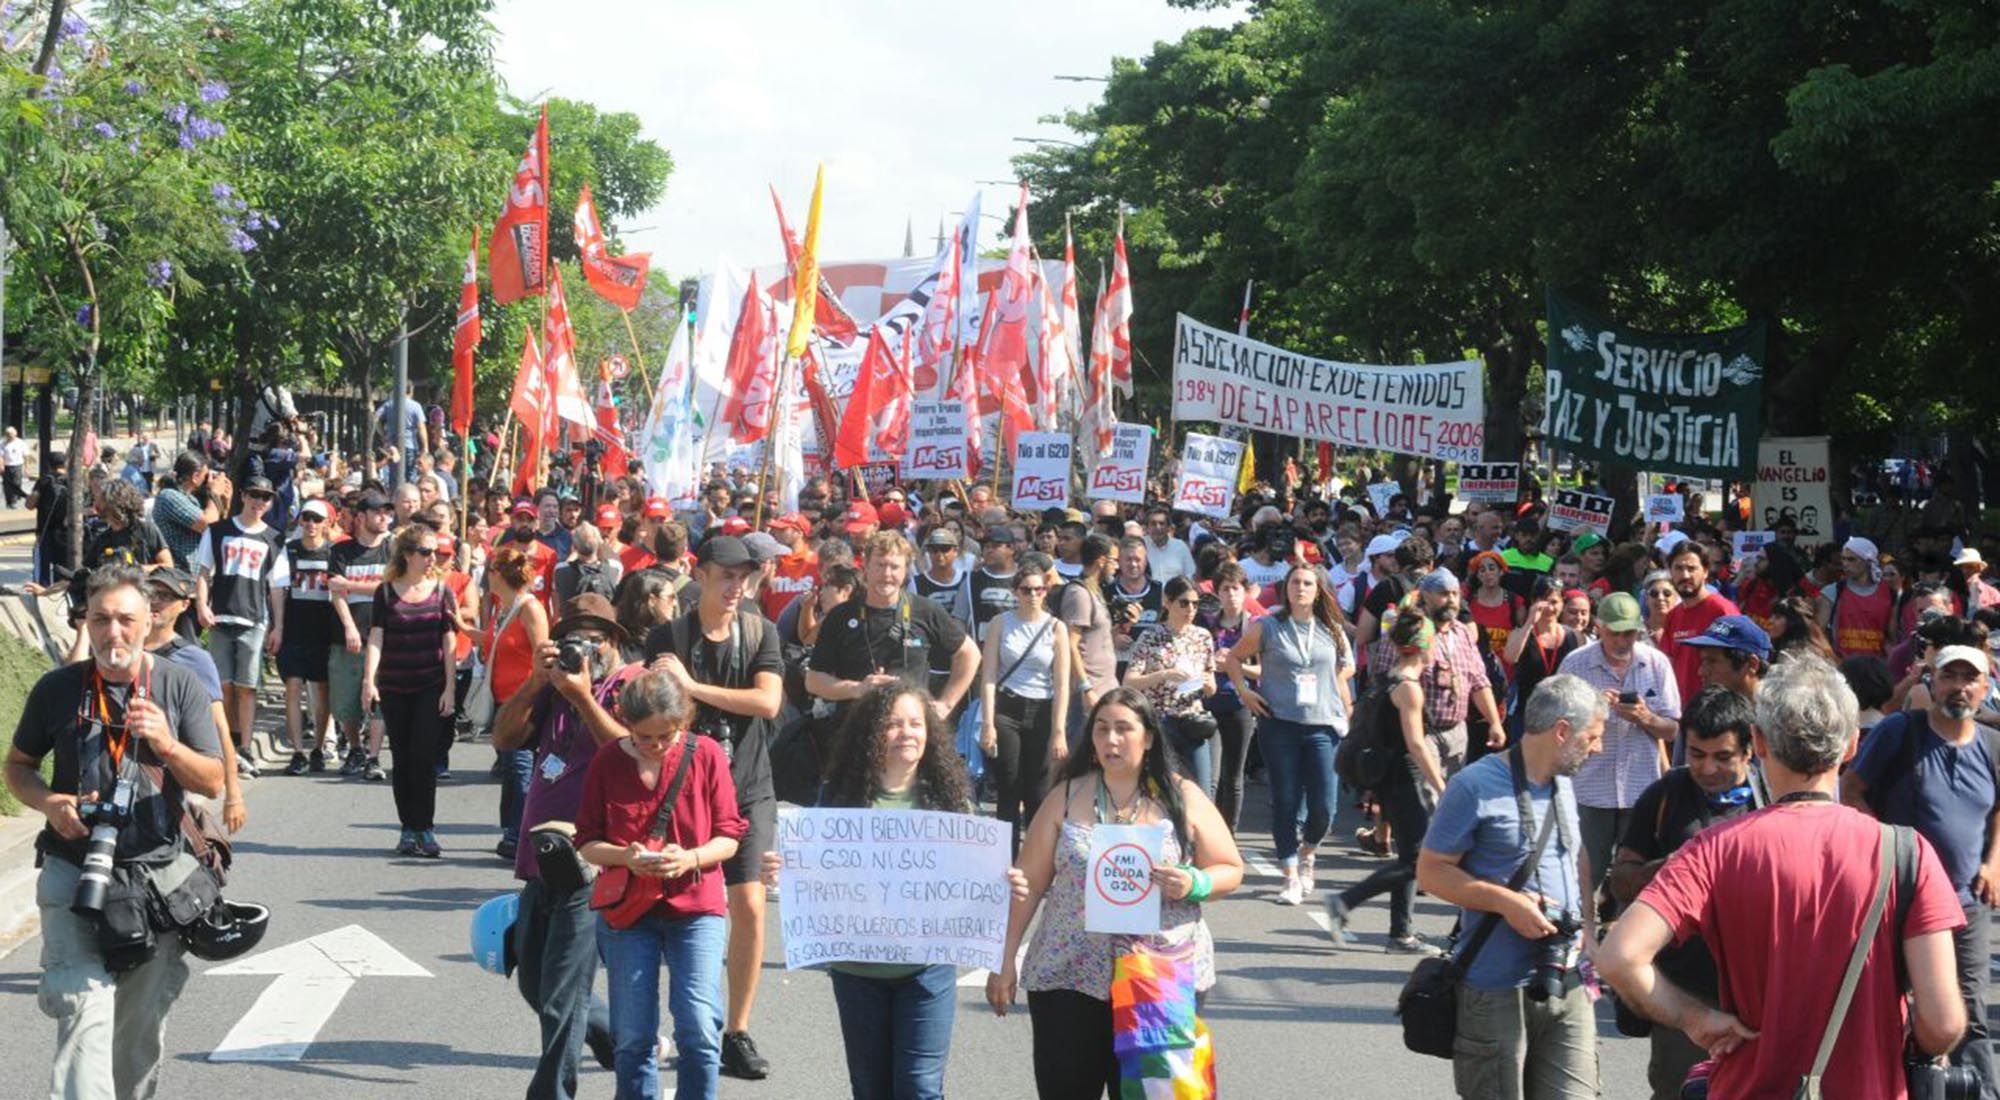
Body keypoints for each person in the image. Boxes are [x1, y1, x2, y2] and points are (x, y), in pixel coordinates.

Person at [1598, 656, 1967, 1100]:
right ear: (1851, 745)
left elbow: (1619, 958)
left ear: (1759, 741)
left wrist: (1696, 1019)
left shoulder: (1714, 849)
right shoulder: (1907, 853)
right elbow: (1943, 1023)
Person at [3, 565, 226, 1100]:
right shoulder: (58, 688)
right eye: (100, 618)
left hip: (155, 881)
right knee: (84, 1007)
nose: (113, 632)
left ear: (150, 621)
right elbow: (17, 766)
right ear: (88, 621)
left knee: (135, 1034)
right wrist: (49, 801)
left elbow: (213, 780)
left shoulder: (179, 684)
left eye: (126, 619)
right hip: (72, 871)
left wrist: (168, 746)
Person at [761, 685, 1028, 1100]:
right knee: (870, 1090)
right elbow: (820, 869)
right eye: (894, 724)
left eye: (916, 723)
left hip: (927, 970)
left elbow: (972, 875)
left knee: (919, 1089)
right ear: (872, 732)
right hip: (857, 972)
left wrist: (1001, 882)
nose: (907, 733)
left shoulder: (950, 800)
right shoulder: (840, 797)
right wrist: (786, 868)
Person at [986, 688, 1244, 1097]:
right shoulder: (1067, 797)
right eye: (1102, 729)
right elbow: (1029, 883)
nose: (1111, 740)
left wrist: (1195, 882)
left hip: (1159, 977)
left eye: (1124, 729)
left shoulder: (1182, 797)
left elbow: (1231, 868)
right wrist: (1004, 960)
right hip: (1069, 975)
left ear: (1149, 737)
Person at [1415, 674, 1606, 1100]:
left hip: (1566, 979)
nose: (1599, 748)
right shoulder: (1474, 786)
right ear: (1561, 732)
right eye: (1592, 737)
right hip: (1494, 987)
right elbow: (1431, 871)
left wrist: (1589, 932)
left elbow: (1577, 856)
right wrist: (1506, 902)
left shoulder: (1563, 782)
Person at [643, 534, 785, 1082]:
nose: (737, 586)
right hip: (685, 789)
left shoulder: (760, 630)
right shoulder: (667, 635)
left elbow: (768, 702)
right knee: (675, 908)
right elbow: (658, 710)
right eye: (726, 575)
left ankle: (737, 1030)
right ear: (699, 574)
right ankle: (676, 1024)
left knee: (748, 902)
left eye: (745, 576)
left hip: (748, 785)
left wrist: (693, 686)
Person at [491, 594, 641, 1100]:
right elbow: (504, 739)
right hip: (541, 858)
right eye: (572, 638)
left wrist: (583, 697)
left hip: (593, 863)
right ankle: (629, 1041)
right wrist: (537, 680)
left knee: (559, 998)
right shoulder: (552, 687)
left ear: (614, 642)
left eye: (593, 640)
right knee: (535, 984)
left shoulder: (631, 686)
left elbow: (631, 755)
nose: (583, 650)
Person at [576, 671, 746, 1100]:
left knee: (700, 1028)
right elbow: (587, 842)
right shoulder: (608, 761)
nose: (654, 745)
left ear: (683, 722)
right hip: (630, 913)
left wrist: (688, 857)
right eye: (643, 736)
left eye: (665, 736)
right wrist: (626, 857)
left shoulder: (705, 755)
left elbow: (729, 835)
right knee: (632, 1038)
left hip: (696, 906)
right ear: (626, 723)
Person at [1840, 643, 2000, 1095]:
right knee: (1889, 1009)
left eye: (1970, 679)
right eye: (1950, 676)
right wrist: (1882, 851)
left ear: (1985, 688)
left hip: (1967, 904)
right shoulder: (1900, 731)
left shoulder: (1992, 743)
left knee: (1968, 1016)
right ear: (1931, 680)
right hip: (1900, 902)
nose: (1959, 687)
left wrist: (1994, 862)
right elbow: (1851, 788)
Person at [1604, 687, 1767, 1100]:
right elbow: (1620, 879)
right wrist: (1671, 868)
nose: (1708, 768)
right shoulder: (1665, 795)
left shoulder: (1773, 798)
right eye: (1696, 754)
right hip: (1686, 996)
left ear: (1750, 748)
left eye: (1723, 756)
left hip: (1760, 993)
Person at [1223, 563, 1355, 905]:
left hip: (1323, 725)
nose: (1300, 588)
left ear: (1318, 590)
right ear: (1286, 588)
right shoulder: (1267, 625)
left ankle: (1308, 850)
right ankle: (1290, 873)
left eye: (1307, 583)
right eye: (1295, 582)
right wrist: (1245, 692)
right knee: (1285, 798)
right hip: (1279, 722)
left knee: (1325, 805)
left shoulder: (1332, 630)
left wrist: (1347, 708)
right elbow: (1234, 658)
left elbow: (1344, 670)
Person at [1328, 607, 1451, 954]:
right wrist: (1441, 787)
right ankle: (1346, 901)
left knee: (1410, 856)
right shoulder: (1410, 688)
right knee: (1417, 861)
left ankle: (1401, 934)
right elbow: (1415, 743)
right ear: (1426, 646)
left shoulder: (1388, 675)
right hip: (1405, 779)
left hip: (1388, 779)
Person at [1555, 591, 1682, 901]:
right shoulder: (1576, 663)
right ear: (1599, 627)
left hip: (1641, 787)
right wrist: (1595, 712)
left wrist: (1644, 717)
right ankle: (1580, 931)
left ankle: (1622, 938)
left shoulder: (1655, 663)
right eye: (1615, 632)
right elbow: (1556, 726)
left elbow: (1672, 729)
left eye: (1629, 633)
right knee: (1586, 872)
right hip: (1590, 786)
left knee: (1636, 877)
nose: (1623, 640)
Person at [808, 531, 981, 725]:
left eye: (894, 567)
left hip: (911, 731)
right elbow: (813, 680)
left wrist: (946, 704)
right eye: (880, 565)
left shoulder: (926, 610)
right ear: (865, 565)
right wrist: (857, 688)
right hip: (855, 729)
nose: (887, 574)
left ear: (906, 570)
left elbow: (970, 653)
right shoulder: (841, 616)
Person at [361, 523, 459, 857]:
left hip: (430, 683)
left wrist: (450, 687)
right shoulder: (385, 592)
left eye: (435, 552)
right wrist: (368, 680)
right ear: (407, 554)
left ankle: (426, 828)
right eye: (426, 552)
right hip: (394, 684)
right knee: (402, 758)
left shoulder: (442, 590)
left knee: (424, 756)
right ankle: (407, 829)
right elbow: (376, 636)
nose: (433, 557)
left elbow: (449, 639)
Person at [192, 475, 290, 780]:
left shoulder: (275, 539)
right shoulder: (219, 531)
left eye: (266, 497)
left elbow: (277, 587)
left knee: (247, 687)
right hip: (221, 616)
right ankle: (226, 744)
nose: (260, 502)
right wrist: (201, 606)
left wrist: (278, 627)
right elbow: (203, 571)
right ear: (243, 496)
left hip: (254, 619)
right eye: (255, 495)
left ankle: (245, 747)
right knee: (223, 687)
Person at [981, 551, 1072, 852]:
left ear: (1046, 591)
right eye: (1026, 590)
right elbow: (989, 675)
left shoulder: (1056, 627)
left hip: (1042, 709)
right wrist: (988, 723)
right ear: (1015, 592)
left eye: (1039, 589)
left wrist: (1059, 730)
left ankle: (1035, 860)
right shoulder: (1000, 623)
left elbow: (1061, 683)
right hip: (1007, 708)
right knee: (1008, 786)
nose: (1033, 595)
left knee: (1038, 789)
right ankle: (1005, 858)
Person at [486, 544, 552, 859]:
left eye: (489, 572)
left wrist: (533, 694)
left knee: (520, 766)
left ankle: (520, 836)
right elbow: (496, 644)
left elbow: (543, 653)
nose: (487, 577)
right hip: (505, 700)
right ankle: (514, 832)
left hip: (526, 700)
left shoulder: (530, 608)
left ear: (498, 574)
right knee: (512, 768)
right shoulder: (505, 606)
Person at [1123, 575, 1216, 796]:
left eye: (1195, 604)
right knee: (1160, 791)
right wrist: (1164, 675)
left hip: (1192, 720)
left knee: (1202, 791)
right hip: (1161, 722)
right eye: (1184, 603)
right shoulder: (1151, 636)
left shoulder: (1202, 637)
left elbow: (1211, 685)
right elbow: (1129, 681)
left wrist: (1205, 683)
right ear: (1168, 602)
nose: (1191, 609)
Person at [328, 488, 396, 781]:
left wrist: (352, 586)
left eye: (387, 511)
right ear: (361, 516)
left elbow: (391, 586)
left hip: (387, 637)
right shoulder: (341, 551)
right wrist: (349, 626)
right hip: (351, 635)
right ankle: (355, 747)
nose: (385, 517)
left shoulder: (394, 549)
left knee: (380, 698)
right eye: (378, 511)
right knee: (347, 701)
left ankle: (374, 756)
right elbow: (334, 591)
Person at [276, 498, 337, 774]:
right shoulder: (288, 551)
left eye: (316, 519)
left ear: (326, 523)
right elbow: (276, 589)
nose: (311, 524)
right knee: (293, 686)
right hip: (294, 629)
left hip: (323, 631)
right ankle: (298, 750)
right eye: (306, 518)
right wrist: (277, 626)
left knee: (322, 691)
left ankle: (318, 747)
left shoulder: (334, 554)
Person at [1200, 560, 1259, 831]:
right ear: (1217, 593)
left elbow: (1263, 672)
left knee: (1233, 776)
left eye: (1236, 588)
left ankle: (1229, 834)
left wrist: (1235, 665)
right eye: (1225, 589)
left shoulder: (1255, 627)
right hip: (1209, 703)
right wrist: (1212, 663)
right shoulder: (1207, 625)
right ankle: (1210, 831)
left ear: (1245, 591)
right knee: (1210, 777)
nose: (1231, 594)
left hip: (1240, 704)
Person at [1661, 543, 1742, 708]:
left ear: (1705, 572)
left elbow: (1740, 664)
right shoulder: (1673, 616)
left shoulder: (1723, 610)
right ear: (1670, 572)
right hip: (1681, 713)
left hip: (1716, 711)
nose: (1685, 575)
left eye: (1692, 568)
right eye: (1678, 568)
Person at [1505, 577, 1584, 742]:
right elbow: (1510, 657)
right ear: (1533, 602)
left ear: (1562, 604)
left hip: (1561, 717)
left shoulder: (1574, 637)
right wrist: (1529, 623)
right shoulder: (1521, 633)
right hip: (1527, 715)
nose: (1549, 607)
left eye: (1554, 602)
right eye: (1543, 601)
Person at [1819, 536, 1895, 659]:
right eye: (1843, 559)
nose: (1845, 564)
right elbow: (1818, 634)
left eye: (1851, 560)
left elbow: (1892, 636)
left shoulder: (1889, 593)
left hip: (1876, 669)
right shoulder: (1832, 592)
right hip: (1843, 668)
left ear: (1868, 561)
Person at [1682, 614, 1770, 703]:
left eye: (1712, 661)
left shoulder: (1778, 713)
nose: (1701, 672)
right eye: (1703, 661)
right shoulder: (1712, 710)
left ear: (1752, 664)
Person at [910, 527, 974, 626]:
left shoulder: (968, 579)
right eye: (934, 550)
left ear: (955, 551)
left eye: (945, 549)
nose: (939, 554)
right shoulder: (916, 583)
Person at [1142, 506, 1199, 582]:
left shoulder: (1180, 546)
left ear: (1168, 527)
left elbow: (1191, 574)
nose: (1158, 527)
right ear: (1147, 527)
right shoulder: (1141, 546)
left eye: (1162, 523)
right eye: (1153, 524)